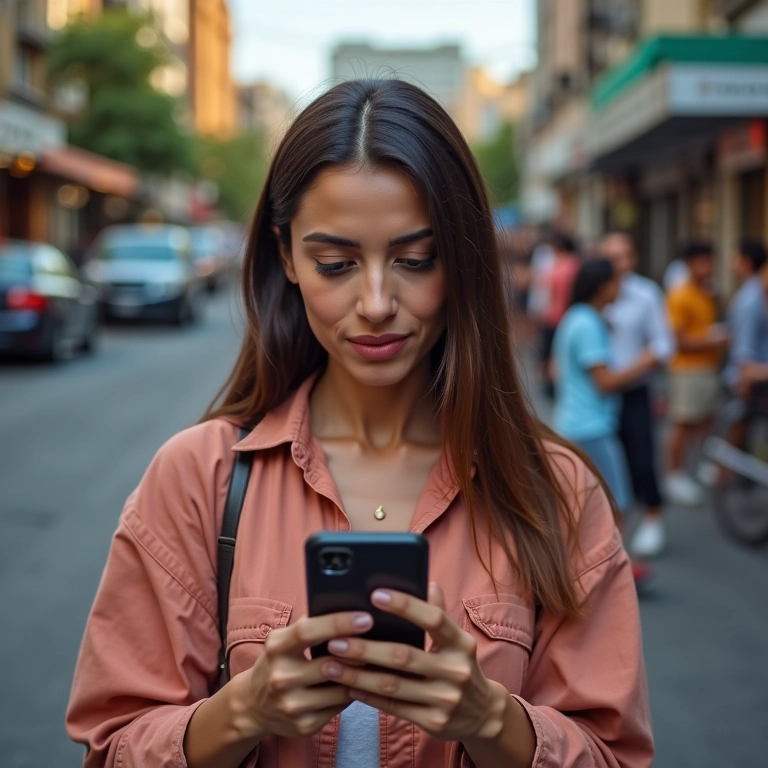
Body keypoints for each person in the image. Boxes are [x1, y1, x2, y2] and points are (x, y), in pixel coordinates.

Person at [66, 80, 653, 768]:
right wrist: (240, 714)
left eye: (415, 259)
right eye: (336, 264)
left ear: (461, 258)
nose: (376, 302)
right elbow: (112, 746)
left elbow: (614, 755)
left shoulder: (555, 491)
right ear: (286, 256)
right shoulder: (201, 477)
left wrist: (493, 721)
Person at [552, 259, 658, 582]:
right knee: (617, 502)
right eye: (616, 282)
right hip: (590, 428)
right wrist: (645, 361)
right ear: (602, 286)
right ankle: (610, 571)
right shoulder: (586, 323)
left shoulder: (579, 319)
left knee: (583, 506)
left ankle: (593, 568)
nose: (621, 289)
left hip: (577, 424)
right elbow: (605, 382)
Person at [600, 232, 674, 558]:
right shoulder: (594, 292)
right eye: (611, 257)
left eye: (624, 255)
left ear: (634, 258)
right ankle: (608, 533)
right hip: (599, 393)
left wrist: (645, 360)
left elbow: (664, 342)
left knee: (642, 457)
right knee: (603, 463)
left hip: (634, 390)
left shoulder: (646, 294)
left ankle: (653, 517)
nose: (619, 264)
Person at [665, 240, 729, 505]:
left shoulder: (709, 292)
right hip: (686, 370)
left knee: (705, 420)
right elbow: (679, 341)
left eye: (710, 261)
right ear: (689, 264)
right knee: (683, 422)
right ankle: (675, 475)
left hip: (708, 367)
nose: (708, 267)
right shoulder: (679, 295)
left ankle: (699, 465)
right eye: (703, 261)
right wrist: (713, 340)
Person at [724, 238, 768, 398]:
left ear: (746, 261)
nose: (731, 262)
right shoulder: (756, 292)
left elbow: (744, 349)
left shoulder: (748, 298)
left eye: (735, 256)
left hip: (750, 380)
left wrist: (745, 376)